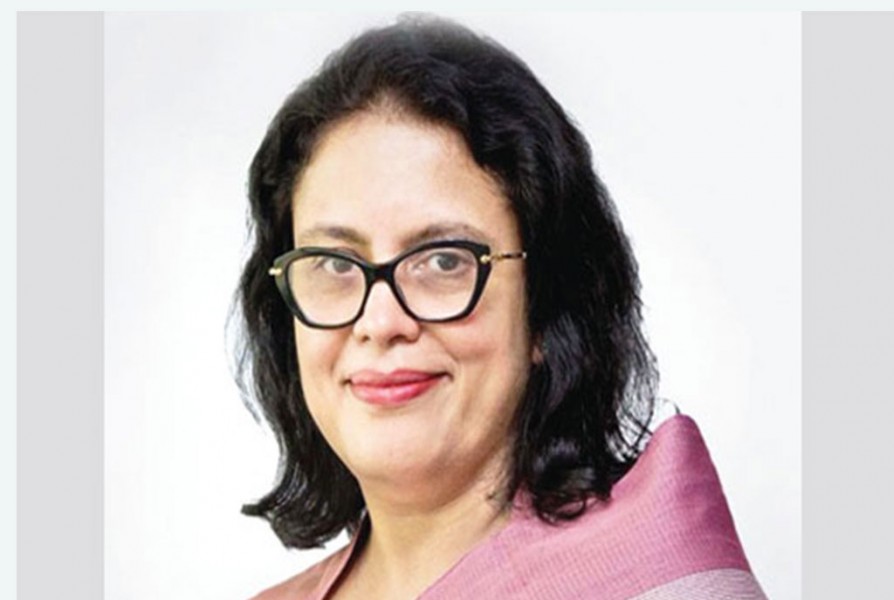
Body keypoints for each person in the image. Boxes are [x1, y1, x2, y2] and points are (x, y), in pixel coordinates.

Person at [234, 14, 767, 600]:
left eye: (444, 261)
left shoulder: (663, 585)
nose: (380, 322)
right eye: (335, 264)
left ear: (545, 304)